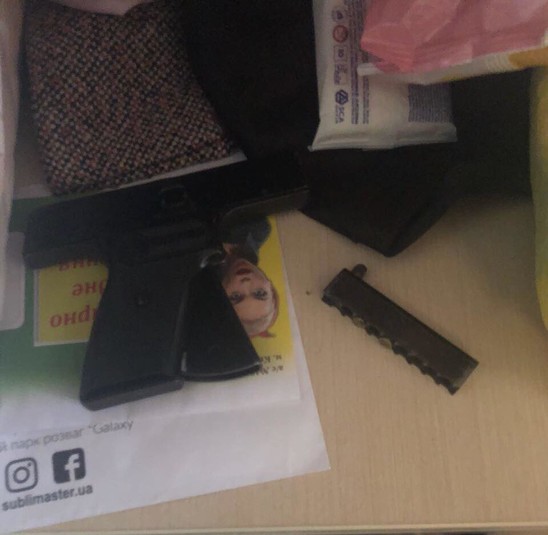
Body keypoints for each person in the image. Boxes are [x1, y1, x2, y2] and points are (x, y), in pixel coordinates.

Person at [219, 218, 279, 338]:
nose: (246, 282)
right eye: (260, 293)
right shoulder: (259, 231)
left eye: (235, 296)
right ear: (270, 286)